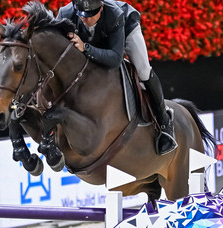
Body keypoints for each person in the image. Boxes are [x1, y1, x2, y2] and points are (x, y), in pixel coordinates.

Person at [57, 0, 177, 155]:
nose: (87, 20)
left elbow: (115, 59)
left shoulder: (115, 15)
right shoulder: (64, 14)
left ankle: (164, 120)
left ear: (101, 7)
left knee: (143, 70)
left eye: (92, 15)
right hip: (92, 39)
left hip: (125, 29)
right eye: (82, 15)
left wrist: (85, 47)